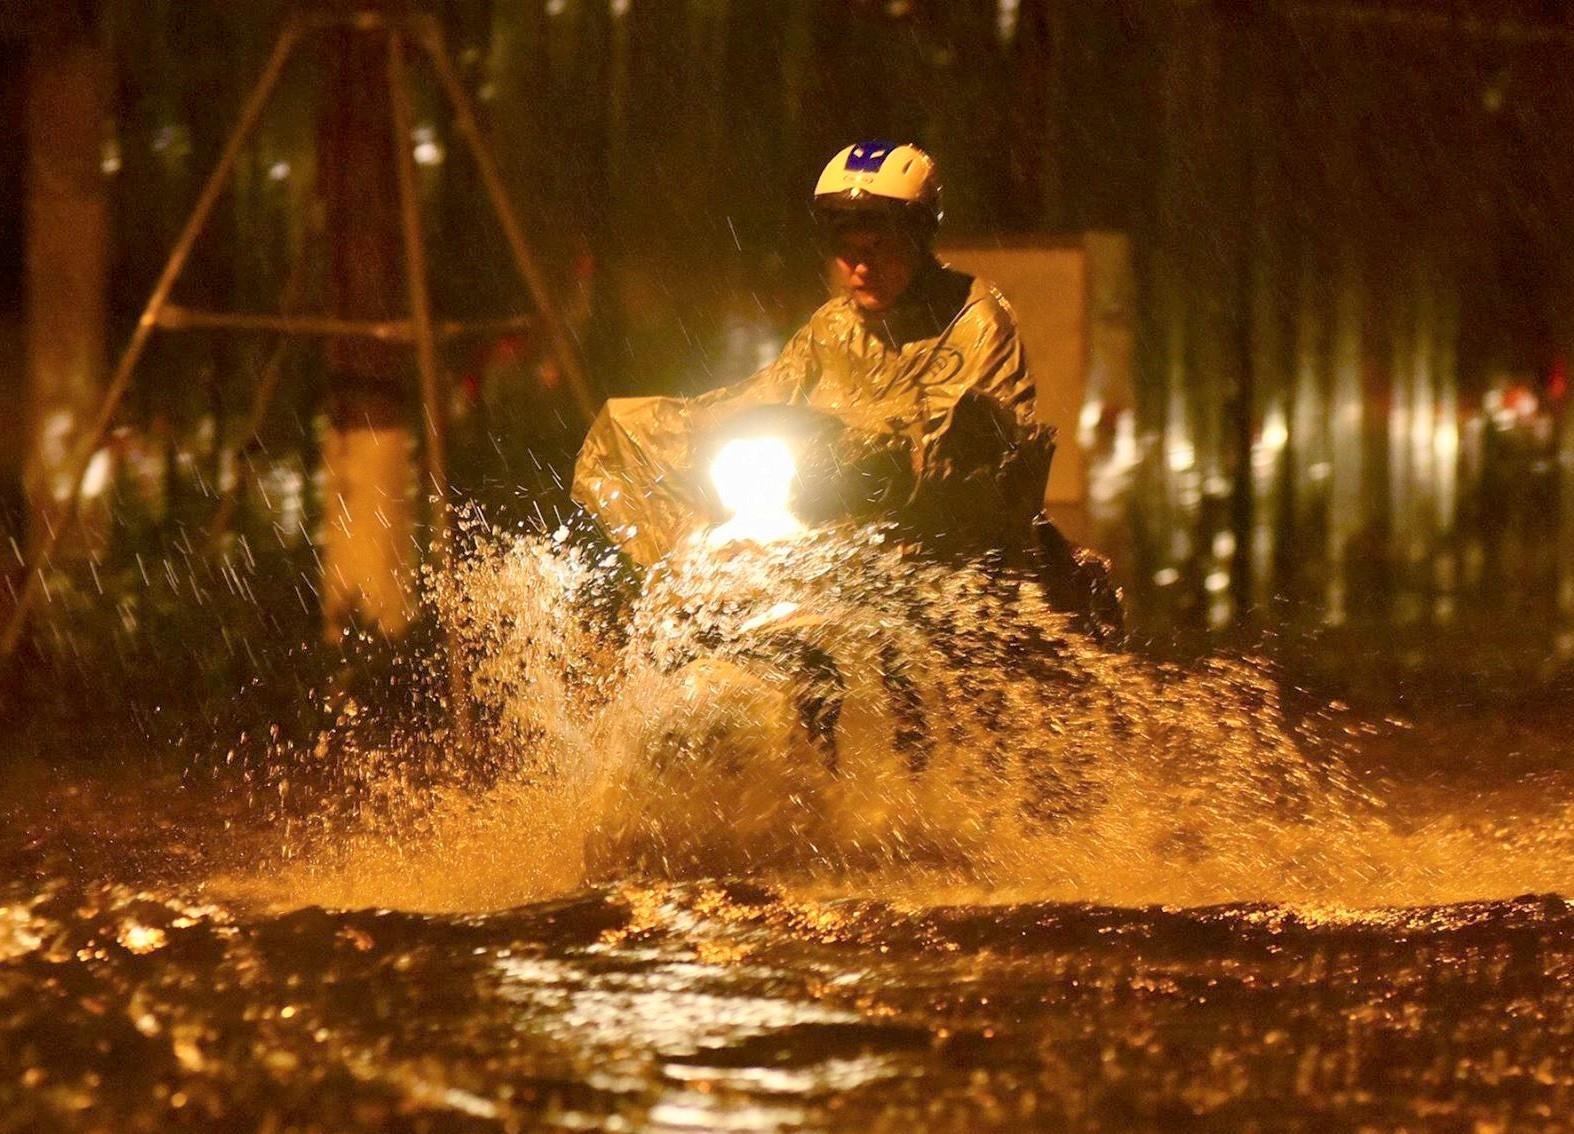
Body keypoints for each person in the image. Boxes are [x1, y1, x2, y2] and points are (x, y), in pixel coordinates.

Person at [573, 140, 1119, 634]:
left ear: (917, 240)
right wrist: (684, 430)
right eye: (847, 251)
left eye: (878, 249)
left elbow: (970, 438)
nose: (860, 267)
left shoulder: (976, 319)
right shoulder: (833, 326)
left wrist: (868, 453)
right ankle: (685, 596)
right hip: (824, 522)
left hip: (934, 546)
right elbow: (766, 395)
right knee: (640, 433)